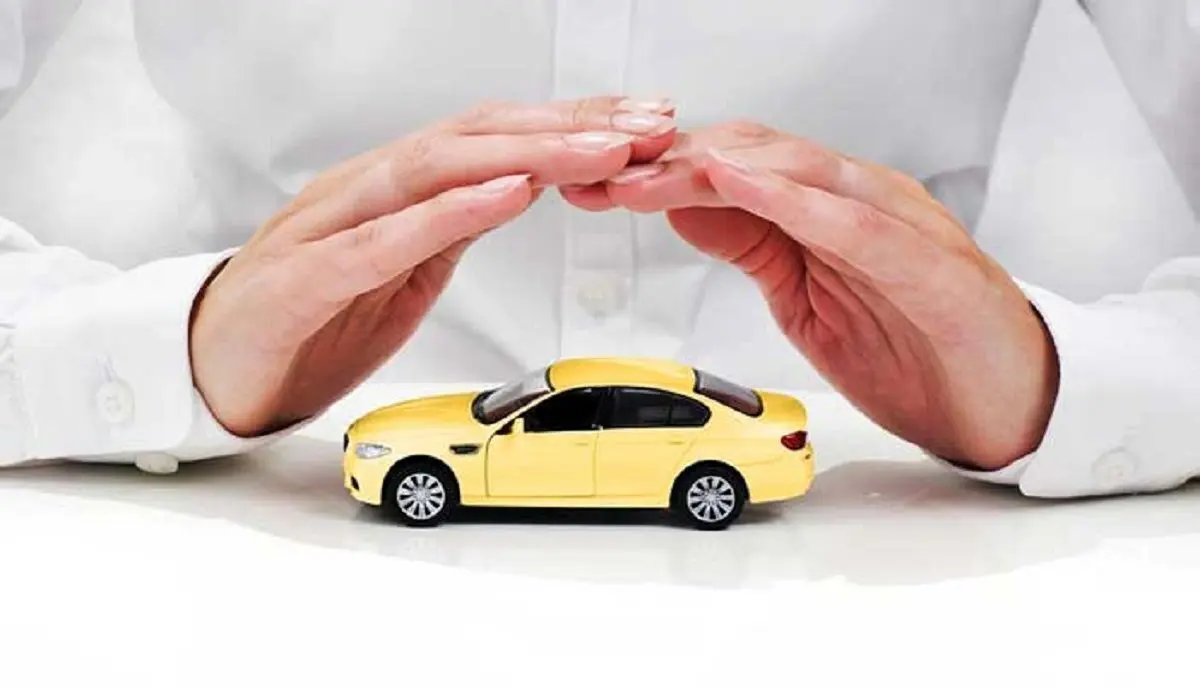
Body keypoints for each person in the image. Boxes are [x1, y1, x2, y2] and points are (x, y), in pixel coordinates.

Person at [0, 1, 1196, 498]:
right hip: (236, 537)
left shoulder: (438, 461)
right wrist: (162, 353)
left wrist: (1065, 384)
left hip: (917, 552)